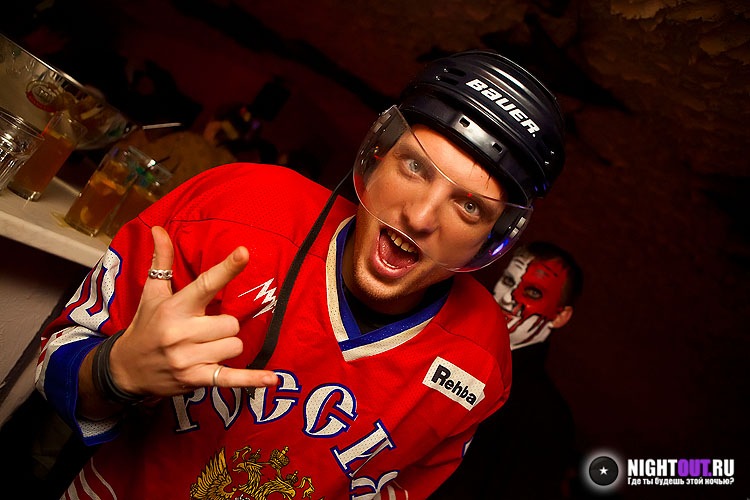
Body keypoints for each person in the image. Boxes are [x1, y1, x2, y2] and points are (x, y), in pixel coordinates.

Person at [35, 50, 567, 499]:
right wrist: (115, 371)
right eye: (415, 166)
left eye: (469, 206)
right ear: (378, 154)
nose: (421, 217)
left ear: (491, 238)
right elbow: (54, 364)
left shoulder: (479, 360)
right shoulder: (235, 208)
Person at [430, 241, 584, 499]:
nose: (506, 298)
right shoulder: (445, 346)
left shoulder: (548, 416)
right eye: (509, 281)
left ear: (560, 316)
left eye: (533, 292)